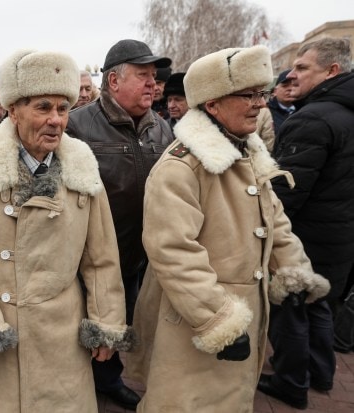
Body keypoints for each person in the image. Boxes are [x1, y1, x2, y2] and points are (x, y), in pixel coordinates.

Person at [127, 44, 330, 413]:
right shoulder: (181, 167)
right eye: (248, 95)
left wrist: (292, 271)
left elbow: (275, 218)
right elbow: (172, 252)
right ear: (212, 104)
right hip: (194, 323)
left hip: (242, 313)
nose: (260, 103)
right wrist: (217, 318)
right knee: (182, 404)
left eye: (261, 94)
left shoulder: (247, 152)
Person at [0, 48, 132, 413]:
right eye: (42, 107)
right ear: (13, 111)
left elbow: (100, 257)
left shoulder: (82, 169)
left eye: (63, 108)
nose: (55, 120)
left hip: (60, 336)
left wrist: (105, 322)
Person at [66, 38, 174, 410]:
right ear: (113, 81)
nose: (153, 83)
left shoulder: (161, 127)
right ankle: (80, 384)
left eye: (154, 76)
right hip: (93, 255)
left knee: (124, 319)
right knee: (84, 324)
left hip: (142, 254)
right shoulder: (77, 125)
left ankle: (107, 380)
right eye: (142, 75)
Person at [260, 37, 354, 409]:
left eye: (302, 68)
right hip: (341, 234)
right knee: (321, 305)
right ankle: (320, 371)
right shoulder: (343, 113)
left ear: (332, 71)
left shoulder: (314, 118)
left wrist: (268, 234)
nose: (291, 74)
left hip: (307, 236)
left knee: (292, 308)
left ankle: (290, 381)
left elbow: (287, 191)